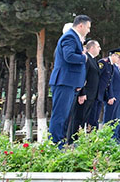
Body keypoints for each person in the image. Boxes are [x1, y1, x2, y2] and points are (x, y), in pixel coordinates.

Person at [48, 15, 90, 146]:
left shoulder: (74, 37)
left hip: (69, 82)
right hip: (64, 81)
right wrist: (84, 58)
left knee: (65, 116)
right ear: (80, 25)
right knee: (60, 115)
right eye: (88, 27)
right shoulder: (70, 36)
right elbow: (69, 56)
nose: (89, 30)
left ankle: (61, 142)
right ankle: (55, 143)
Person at [67, 39, 101, 142]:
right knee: (78, 118)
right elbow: (82, 77)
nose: (100, 49)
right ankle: (73, 140)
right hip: (85, 95)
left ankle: (79, 139)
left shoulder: (93, 60)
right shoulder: (87, 59)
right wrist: (82, 93)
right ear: (92, 48)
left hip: (91, 95)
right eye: (98, 47)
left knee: (83, 119)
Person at [102, 47, 120, 125]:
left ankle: (110, 135)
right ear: (113, 55)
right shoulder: (109, 65)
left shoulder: (114, 67)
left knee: (113, 118)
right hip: (111, 96)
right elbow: (109, 82)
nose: (119, 59)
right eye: (118, 57)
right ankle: (105, 135)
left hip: (116, 96)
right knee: (108, 118)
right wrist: (110, 96)